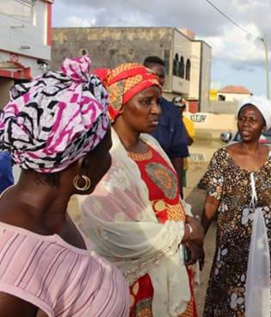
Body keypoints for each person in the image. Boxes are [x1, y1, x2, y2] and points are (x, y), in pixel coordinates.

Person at [0, 55, 129, 316]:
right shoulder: (14, 270)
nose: (110, 160)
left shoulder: (35, 211)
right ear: (83, 166)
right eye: (106, 151)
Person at [78, 63, 204, 317]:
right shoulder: (103, 157)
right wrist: (186, 231)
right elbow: (110, 232)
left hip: (172, 269)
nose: (156, 111)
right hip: (132, 281)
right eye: (146, 102)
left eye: (157, 102)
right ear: (120, 104)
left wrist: (189, 229)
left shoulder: (152, 145)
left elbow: (174, 200)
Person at [199, 96, 271, 316]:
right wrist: (199, 238)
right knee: (230, 296)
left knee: (268, 294)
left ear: (263, 126)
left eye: (252, 120)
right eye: (242, 119)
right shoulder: (223, 157)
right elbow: (211, 201)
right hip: (234, 242)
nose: (245, 124)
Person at [143, 56, 189, 196]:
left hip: (162, 184)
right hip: (130, 180)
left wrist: (178, 191)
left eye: (161, 76)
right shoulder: (127, 106)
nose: (157, 79)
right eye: (152, 74)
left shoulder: (172, 112)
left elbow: (177, 154)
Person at [173, 96, 196, 189]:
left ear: (183, 108)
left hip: (181, 164)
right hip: (165, 162)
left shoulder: (188, 123)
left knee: (179, 190)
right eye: (175, 108)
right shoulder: (163, 120)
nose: (177, 110)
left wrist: (180, 123)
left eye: (180, 108)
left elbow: (189, 141)